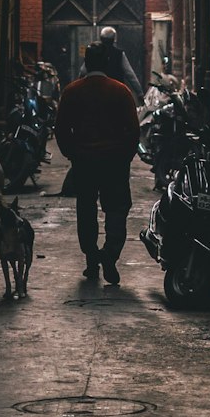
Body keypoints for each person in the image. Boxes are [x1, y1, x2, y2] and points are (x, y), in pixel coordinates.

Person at [55, 41, 140, 284]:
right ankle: (110, 255)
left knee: (86, 209)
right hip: (115, 163)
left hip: (84, 162)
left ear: (86, 63)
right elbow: (133, 131)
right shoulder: (121, 91)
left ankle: (92, 259)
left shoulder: (72, 91)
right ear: (106, 64)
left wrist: (72, 153)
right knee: (116, 209)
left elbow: (61, 129)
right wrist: (125, 156)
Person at [77, 25, 143, 100]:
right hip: (116, 93)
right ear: (113, 39)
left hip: (96, 91)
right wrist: (139, 93)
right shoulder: (119, 54)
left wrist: (79, 86)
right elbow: (130, 74)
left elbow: (83, 71)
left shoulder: (94, 52)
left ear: (101, 38)